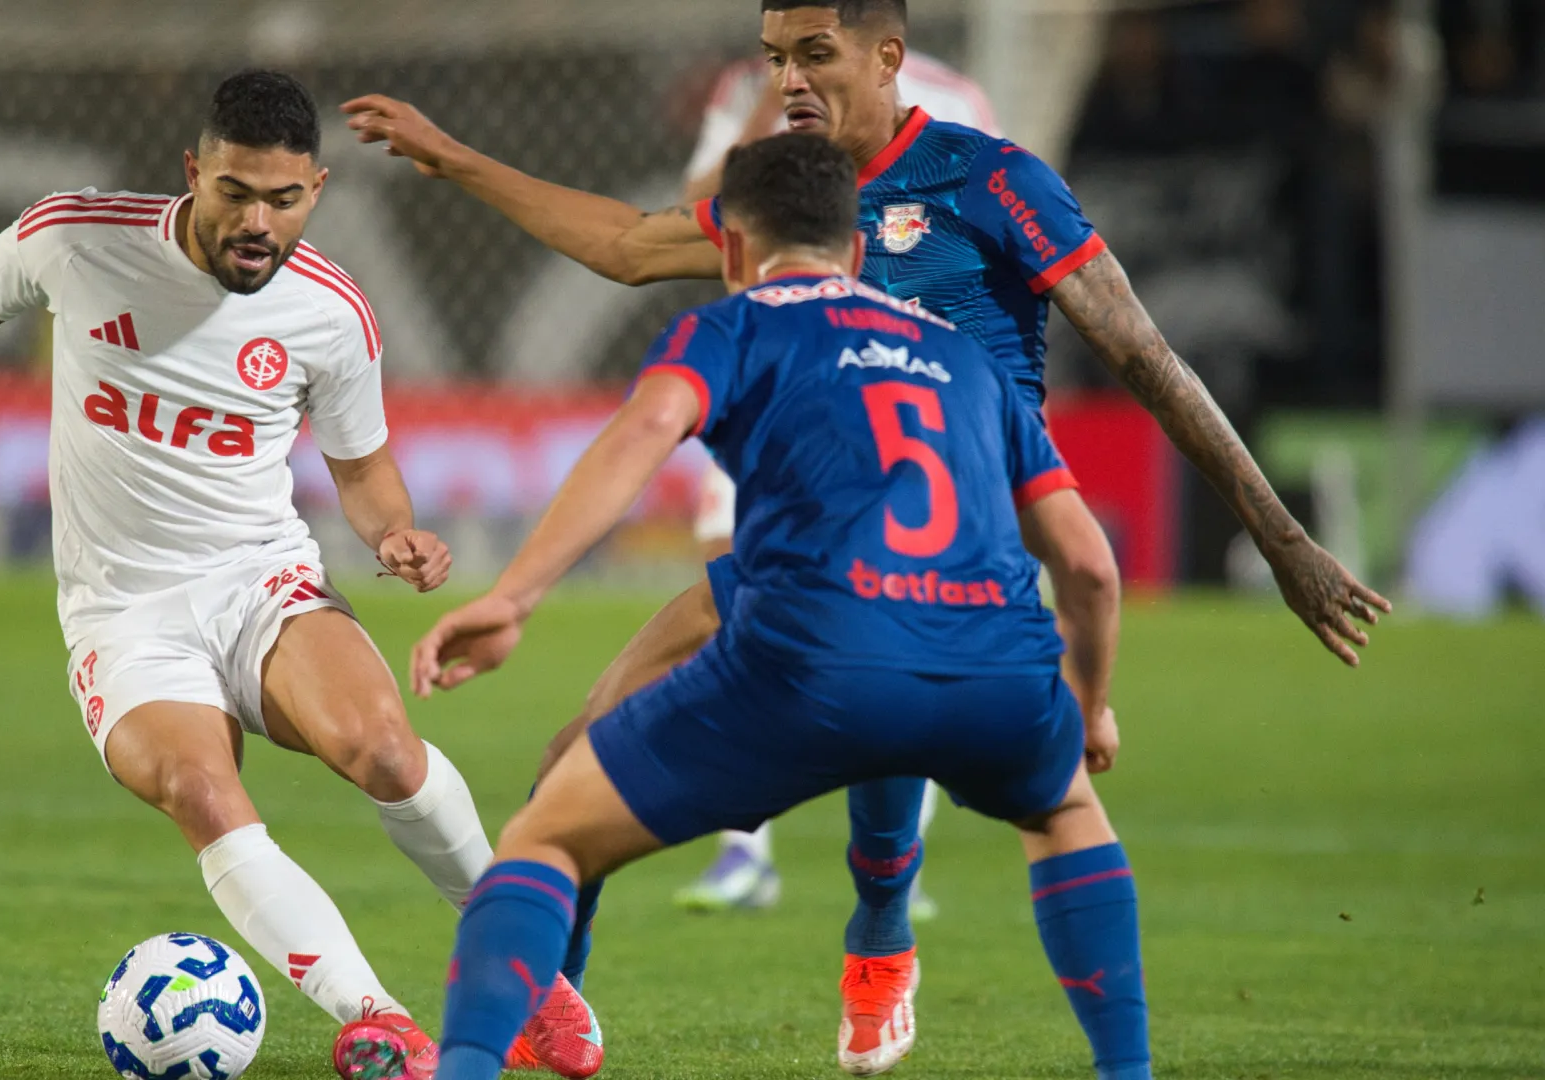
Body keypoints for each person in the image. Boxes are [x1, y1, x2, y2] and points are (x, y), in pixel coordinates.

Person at [345, 1, 1388, 1068]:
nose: (789, 80)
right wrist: (456, 157)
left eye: (813, 55)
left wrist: (1281, 537)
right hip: (787, 559)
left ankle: (880, 939)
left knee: (875, 727)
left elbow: (1149, 360)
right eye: (773, 58)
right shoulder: (788, 200)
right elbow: (621, 242)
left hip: (961, 547)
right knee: (572, 754)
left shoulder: (991, 182)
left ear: (888, 56)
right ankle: (549, 1018)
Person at [0, 70, 507, 1080]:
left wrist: (394, 535)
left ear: (318, 191)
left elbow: (362, 468)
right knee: (201, 791)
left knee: (384, 750)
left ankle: (528, 973)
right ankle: (375, 1019)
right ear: (192, 173)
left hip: (261, 581)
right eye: (236, 192)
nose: (259, 221)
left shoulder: (329, 313)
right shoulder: (74, 239)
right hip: (124, 612)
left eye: (284, 199)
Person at [410, 131, 1155, 1080]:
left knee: (547, 831)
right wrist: (1086, 707)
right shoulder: (967, 363)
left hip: (817, 649)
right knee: (1068, 815)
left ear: (729, 251)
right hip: (994, 655)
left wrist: (515, 595)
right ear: (855, 252)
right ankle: (1126, 1071)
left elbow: (643, 431)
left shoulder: (735, 325)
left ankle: (479, 1056)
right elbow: (1089, 567)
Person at [674, 39, 998, 919]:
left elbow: (989, 234)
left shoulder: (956, 98)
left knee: (907, 602)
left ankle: (899, 862)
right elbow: (699, 207)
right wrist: (752, 122)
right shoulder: (750, 86)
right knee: (728, 584)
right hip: (781, 374)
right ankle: (742, 848)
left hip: (901, 388)